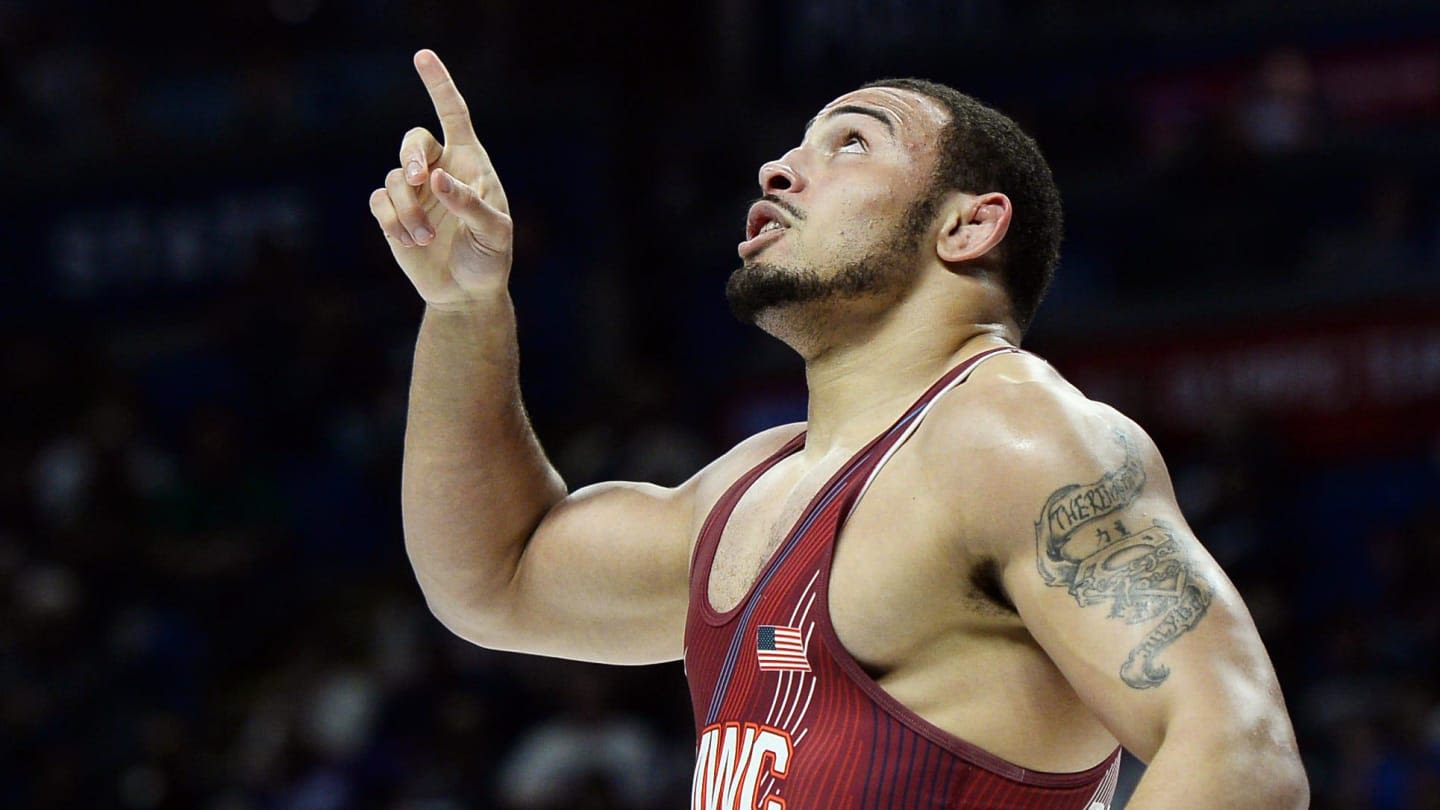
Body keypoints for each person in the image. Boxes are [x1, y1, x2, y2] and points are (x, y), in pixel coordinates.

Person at [368, 49, 1309, 808]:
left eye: (851, 142)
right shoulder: (755, 484)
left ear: (969, 227)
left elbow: (1239, 759)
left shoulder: (1012, 435)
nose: (781, 167)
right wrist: (464, 310)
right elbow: (496, 578)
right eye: (796, 145)